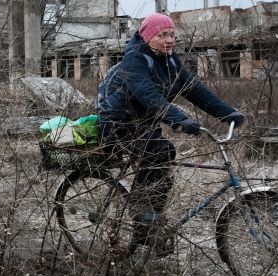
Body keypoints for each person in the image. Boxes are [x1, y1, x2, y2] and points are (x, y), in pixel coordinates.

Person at [96, 13, 245, 248]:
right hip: (118, 122)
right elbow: (148, 94)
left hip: (143, 123)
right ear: (147, 37)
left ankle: (149, 222)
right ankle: (140, 211)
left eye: (172, 35)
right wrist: (178, 119)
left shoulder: (170, 61)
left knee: (165, 158)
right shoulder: (134, 60)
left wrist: (227, 113)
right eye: (162, 35)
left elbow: (194, 89)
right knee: (159, 150)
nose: (169, 40)